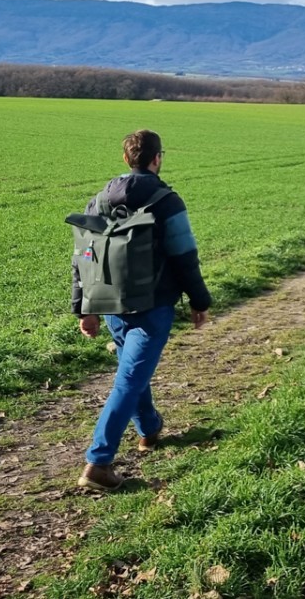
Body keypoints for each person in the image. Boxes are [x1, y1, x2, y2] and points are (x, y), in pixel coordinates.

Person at [72, 128, 212, 491]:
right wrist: (200, 302)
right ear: (156, 159)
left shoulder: (99, 200)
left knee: (132, 373)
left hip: (110, 304)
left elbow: (83, 258)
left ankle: (149, 429)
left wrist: (83, 309)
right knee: (129, 379)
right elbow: (185, 257)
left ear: (125, 159)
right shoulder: (166, 200)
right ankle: (98, 463)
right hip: (153, 307)